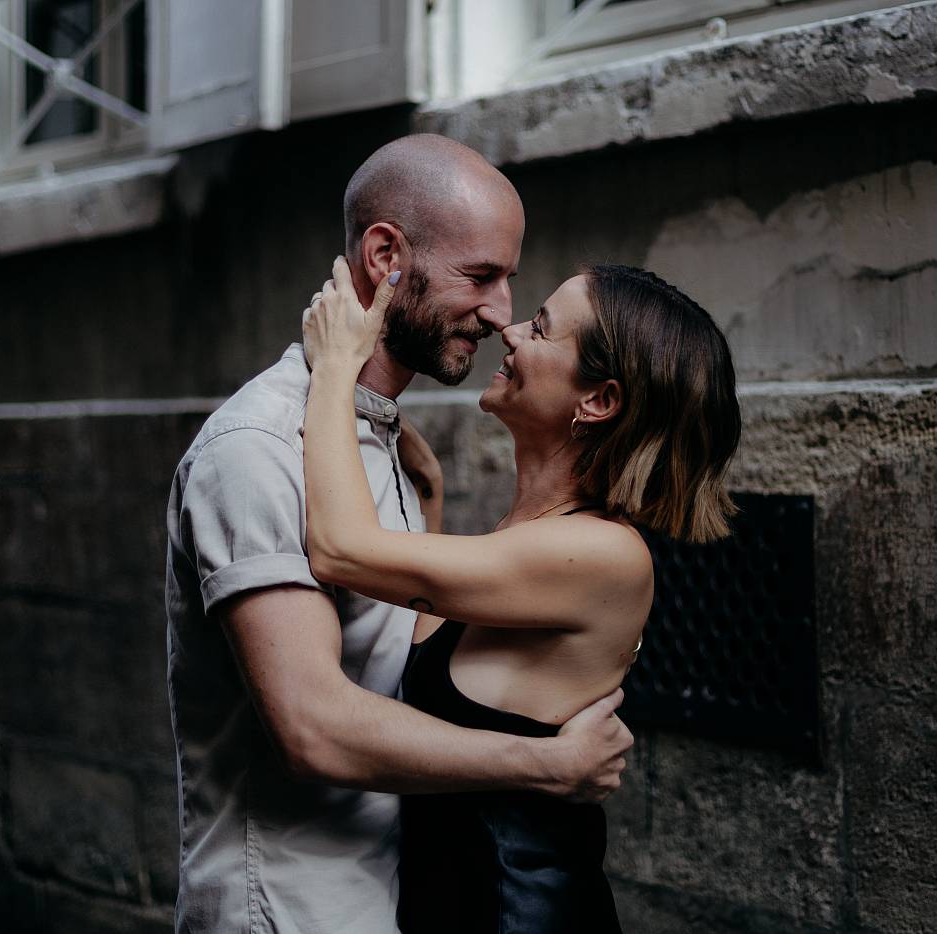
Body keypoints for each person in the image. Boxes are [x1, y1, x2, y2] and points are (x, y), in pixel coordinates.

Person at [163, 135, 634, 934]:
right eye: (481, 276)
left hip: (387, 899)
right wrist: (545, 765)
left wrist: (431, 505)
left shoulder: (377, 446)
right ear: (386, 255)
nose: (500, 313)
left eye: (509, 281)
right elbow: (313, 728)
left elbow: (396, 662)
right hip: (287, 912)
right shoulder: (260, 449)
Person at [301, 255, 742, 933]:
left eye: (540, 328)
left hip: (518, 913)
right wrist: (431, 502)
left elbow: (337, 548)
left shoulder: (602, 554)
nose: (509, 333)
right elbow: (416, 646)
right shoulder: (520, 538)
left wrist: (335, 365)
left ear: (599, 400)